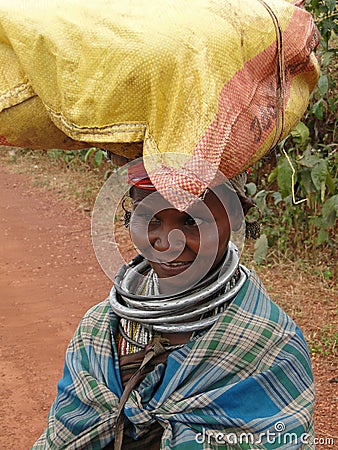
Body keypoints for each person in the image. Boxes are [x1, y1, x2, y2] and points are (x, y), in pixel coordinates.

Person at [32, 159, 315, 450]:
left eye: (192, 220)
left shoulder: (270, 344)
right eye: (150, 218)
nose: (167, 244)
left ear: (235, 218)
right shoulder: (101, 329)